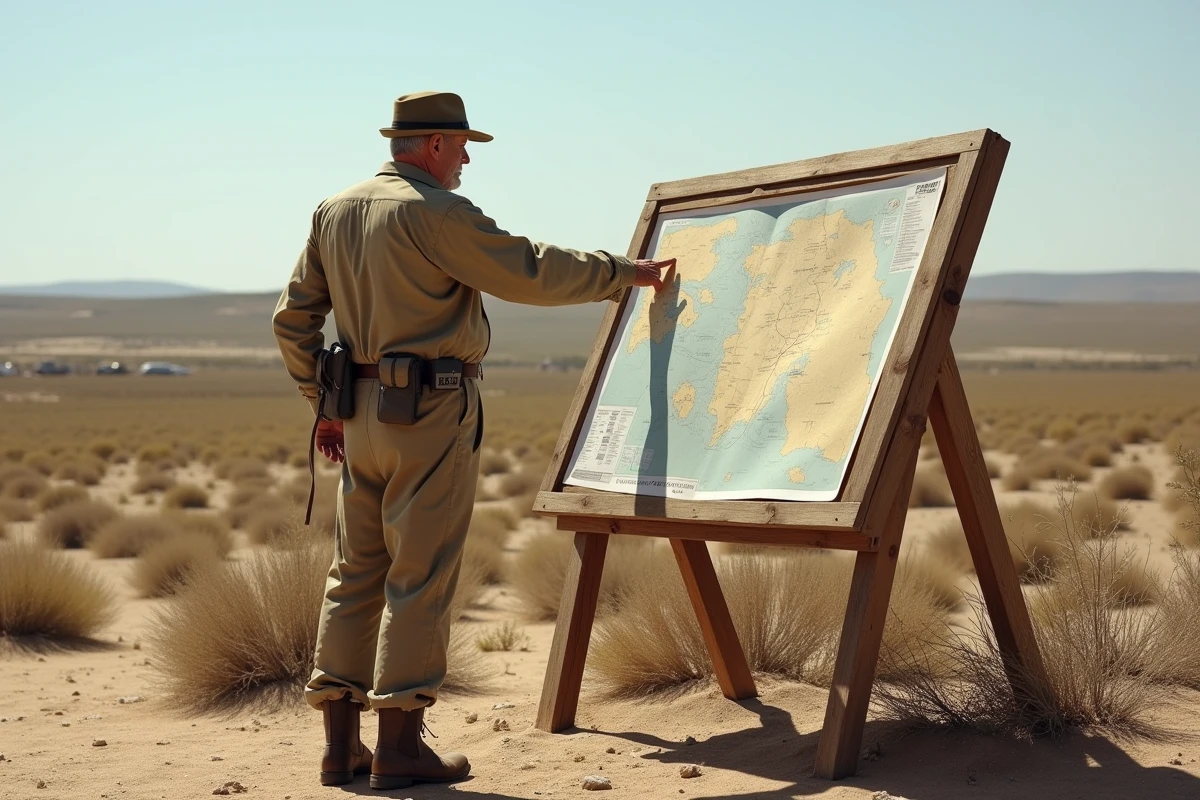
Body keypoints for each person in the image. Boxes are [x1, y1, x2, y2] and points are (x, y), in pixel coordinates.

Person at [272, 90, 674, 790]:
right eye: (462, 148)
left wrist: (324, 404)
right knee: (418, 573)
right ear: (431, 145)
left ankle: (341, 747)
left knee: (355, 570)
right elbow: (528, 269)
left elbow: (292, 319)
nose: (465, 162)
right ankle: (399, 745)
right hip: (429, 411)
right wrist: (624, 274)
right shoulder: (436, 211)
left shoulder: (334, 209)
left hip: (357, 412)